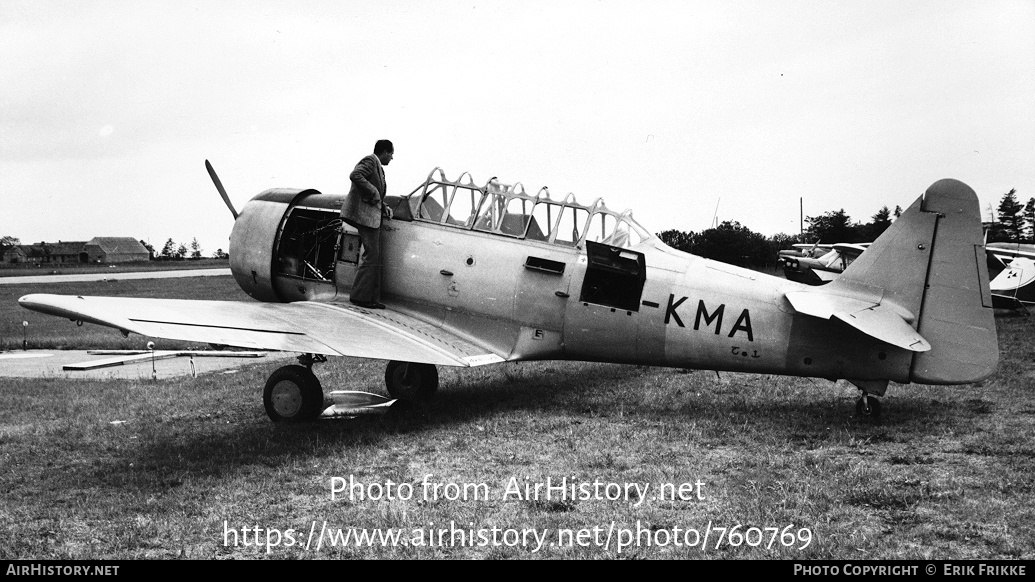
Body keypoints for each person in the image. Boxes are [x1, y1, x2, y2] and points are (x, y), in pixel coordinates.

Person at [341, 140, 394, 309]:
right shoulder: (370, 161)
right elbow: (355, 175)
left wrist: (383, 206)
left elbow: (376, 194)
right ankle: (360, 297)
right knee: (371, 255)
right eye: (391, 153)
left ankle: (370, 298)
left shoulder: (378, 167)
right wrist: (373, 192)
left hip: (372, 217)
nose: (392, 158)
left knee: (374, 255)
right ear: (384, 152)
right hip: (366, 218)